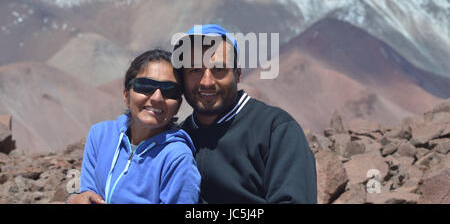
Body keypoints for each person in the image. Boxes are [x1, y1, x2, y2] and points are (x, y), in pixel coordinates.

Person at [173, 24, 317, 203]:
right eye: (195, 70)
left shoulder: (275, 130)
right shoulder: (179, 138)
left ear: (238, 74)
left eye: (219, 70)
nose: (207, 82)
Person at [67, 49, 201, 204]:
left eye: (169, 91)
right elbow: (87, 192)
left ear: (178, 105)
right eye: (145, 86)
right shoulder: (100, 135)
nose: (157, 98)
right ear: (126, 95)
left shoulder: (177, 158)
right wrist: (74, 198)